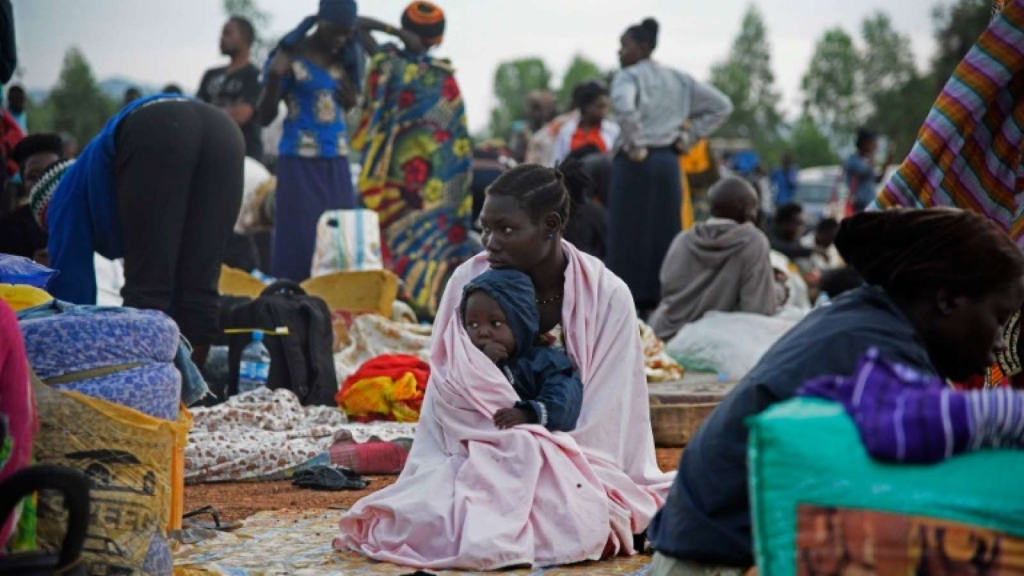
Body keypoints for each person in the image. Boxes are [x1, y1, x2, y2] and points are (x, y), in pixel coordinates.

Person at [646, 208, 1024, 575]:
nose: (999, 346)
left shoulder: (864, 320)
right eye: (999, 319)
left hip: (696, 544)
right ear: (948, 300)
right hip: (716, 562)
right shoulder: (879, 355)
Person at [338, 163, 672, 569]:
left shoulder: (608, 296)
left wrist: (540, 455)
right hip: (479, 449)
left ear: (550, 225)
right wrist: (513, 449)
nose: (491, 243)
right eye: (485, 229)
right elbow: (452, 398)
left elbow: (606, 417)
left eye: (506, 230)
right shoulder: (468, 283)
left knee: (572, 511)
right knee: (435, 516)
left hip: (582, 458)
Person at [28, 95, 244, 366]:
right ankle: (193, 398)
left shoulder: (60, 199)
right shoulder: (94, 175)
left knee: (148, 290)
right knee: (200, 285)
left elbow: (72, 301)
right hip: (224, 130)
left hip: (159, 128)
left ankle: (148, 394)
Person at [353, 1, 478, 317]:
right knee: (394, 248)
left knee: (427, 252)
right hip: (398, 185)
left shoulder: (437, 76)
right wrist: (398, 35)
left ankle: (422, 311)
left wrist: (396, 33)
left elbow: (454, 142)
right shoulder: (390, 63)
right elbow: (354, 24)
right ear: (438, 39)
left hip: (434, 192)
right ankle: (400, 309)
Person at [609, 18, 733, 311]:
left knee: (627, 233)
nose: (620, 53)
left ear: (642, 48)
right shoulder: (679, 79)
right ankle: (664, 298)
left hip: (634, 163)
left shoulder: (627, 77)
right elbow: (721, 105)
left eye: (624, 46)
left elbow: (625, 107)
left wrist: (636, 143)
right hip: (667, 161)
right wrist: (687, 138)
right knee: (665, 232)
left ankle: (625, 303)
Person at [258, 0, 362, 282]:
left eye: (347, 32)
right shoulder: (289, 57)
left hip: (337, 162)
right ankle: (293, 309)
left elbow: (343, 104)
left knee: (341, 242)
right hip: (298, 162)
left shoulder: (346, 58)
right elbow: (264, 116)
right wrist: (274, 78)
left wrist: (351, 103)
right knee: (298, 241)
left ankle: (335, 315)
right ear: (320, 21)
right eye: (336, 31)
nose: (341, 39)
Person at [647, 177, 777, 341]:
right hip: (716, 342)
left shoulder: (683, 239)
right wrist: (780, 291)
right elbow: (757, 310)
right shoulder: (752, 241)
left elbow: (667, 289)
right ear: (749, 212)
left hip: (667, 333)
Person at [461, 268, 583, 432]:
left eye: (495, 323)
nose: (483, 332)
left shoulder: (544, 362)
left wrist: (527, 414)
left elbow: (565, 400)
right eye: (473, 325)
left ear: (520, 324)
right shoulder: (462, 361)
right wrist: (484, 365)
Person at [198, 16, 263, 161]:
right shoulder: (211, 74)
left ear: (245, 38)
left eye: (228, 33)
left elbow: (242, 115)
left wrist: (207, 113)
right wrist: (229, 110)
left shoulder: (254, 75)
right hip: (210, 152)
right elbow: (196, 110)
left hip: (243, 155)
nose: (222, 38)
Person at [0, 133, 61, 258]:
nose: (43, 182)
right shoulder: (9, 229)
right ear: (23, 183)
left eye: (50, 174)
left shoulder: (82, 219)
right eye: (33, 177)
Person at [552, 80, 619, 164]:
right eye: (600, 106)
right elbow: (558, 160)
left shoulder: (613, 130)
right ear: (586, 107)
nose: (604, 111)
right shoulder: (567, 131)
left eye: (606, 107)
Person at [845, 129, 892, 213]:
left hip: (869, 205)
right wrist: (872, 155)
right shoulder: (853, 161)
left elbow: (877, 180)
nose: (874, 146)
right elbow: (865, 171)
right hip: (859, 206)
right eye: (871, 143)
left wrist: (886, 165)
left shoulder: (866, 161)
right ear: (864, 143)